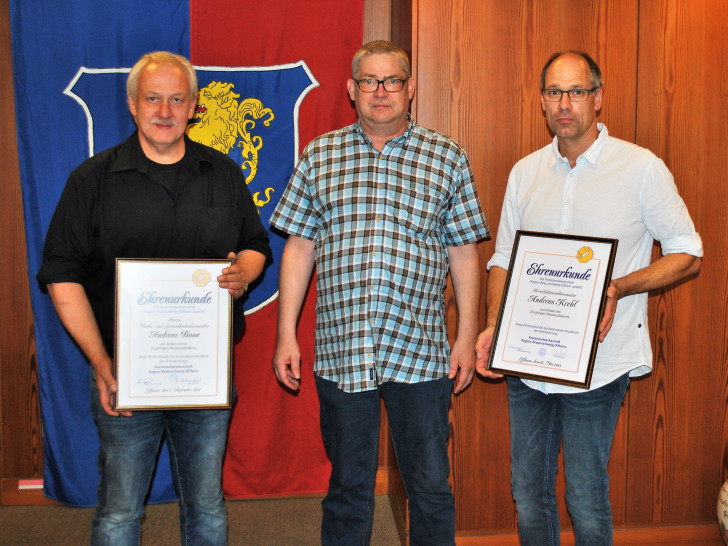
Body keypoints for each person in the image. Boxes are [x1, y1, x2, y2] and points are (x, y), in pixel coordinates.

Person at [37, 51, 272, 545]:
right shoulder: (92, 181)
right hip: (125, 377)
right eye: (152, 98)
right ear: (132, 104)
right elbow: (61, 274)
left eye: (177, 99)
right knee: (120, 512)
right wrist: (102, 363)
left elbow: (256, 245)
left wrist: (242, 273)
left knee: (207, 506)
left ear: (193, 108)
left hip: (204, 376)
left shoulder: (224, 174)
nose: (164, 111)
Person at [475, 51, 702, 545]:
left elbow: (689, 253)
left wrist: (619, 286)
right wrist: (494, 327)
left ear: (598, 98)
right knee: (528, 493)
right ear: (541, 101)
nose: (565, 104)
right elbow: (503, 260)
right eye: (555, 93)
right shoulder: (525, 172)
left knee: (584, 493)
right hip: (528, 360)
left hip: (600, 365)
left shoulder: (641, 168)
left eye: (576, 92)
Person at [270, 40, 489, 545]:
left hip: (422, 351)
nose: (380, 91)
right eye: (369, 81)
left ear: (411, 88)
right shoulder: (321, 155)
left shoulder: (447, 157)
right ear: (351, 90)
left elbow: (464, 253)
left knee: (430, 485)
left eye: (392, 81)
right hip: (341, 351)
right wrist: (286, 335)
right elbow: (300, 248)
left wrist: (466, 336)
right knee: (348, 485)